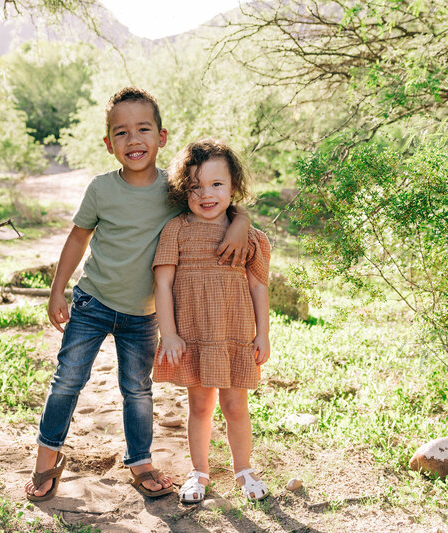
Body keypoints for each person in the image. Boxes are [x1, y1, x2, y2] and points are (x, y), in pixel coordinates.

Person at [25, 88, 252, 501]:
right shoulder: (101, 189)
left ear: (161, 137)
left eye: (143, 129)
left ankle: (140, 461)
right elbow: (77, 240)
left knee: (137, 389)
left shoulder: (174, 188)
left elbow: (215, 200)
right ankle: (46, 458)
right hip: (92, 302)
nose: (134, 140)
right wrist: (57, 291)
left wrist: (241, 220)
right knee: (67, 380)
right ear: (108, 143)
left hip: (143, 314)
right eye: (122, 132)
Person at [152, 138, 271, 504]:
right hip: (195, 336)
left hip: (233, 334)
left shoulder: (249, 238)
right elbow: (163, 282)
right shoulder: (177, 230)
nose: (206, 194)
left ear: (233, 187)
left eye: (216, 184)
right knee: (200, 407)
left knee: (236, 406)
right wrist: (169, 334)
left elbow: (258, 287)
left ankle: (243, 469)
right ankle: (199, 472)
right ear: (182, 190)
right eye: (195, 186)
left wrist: (263, 335)